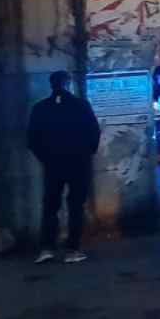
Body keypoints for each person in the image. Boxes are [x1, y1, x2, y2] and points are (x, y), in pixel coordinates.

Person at [26, 70, 101, 264]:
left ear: (52, 85)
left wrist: (46, 158)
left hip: (53, 164)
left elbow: (32, 139)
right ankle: (72, 249)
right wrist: (86, 154)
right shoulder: (81, 106)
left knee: (50, 206)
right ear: (68, 84)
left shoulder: (40, 108)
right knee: (76, 205)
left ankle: (47, 247)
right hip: (78, 163)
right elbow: (94, 132)